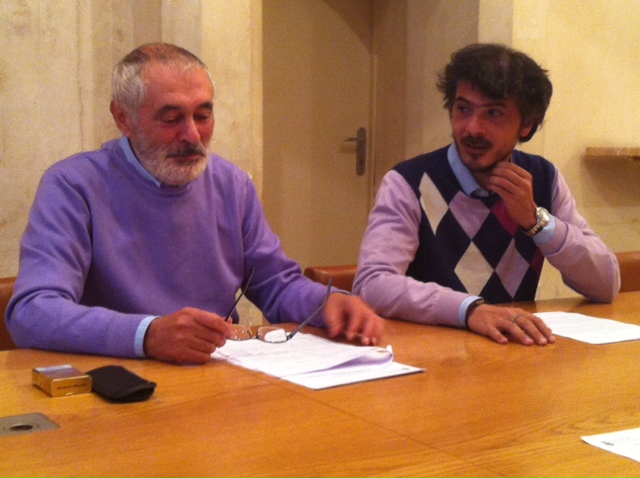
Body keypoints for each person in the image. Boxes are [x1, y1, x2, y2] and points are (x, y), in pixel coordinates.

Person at [6, 43, 383, 364]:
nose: (192, 135)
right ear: (123, 118)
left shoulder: (232, 184)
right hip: (118, 382)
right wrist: (147, 334)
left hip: (215, 372)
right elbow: (33, 311)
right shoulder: (73, 186)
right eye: (171, 119)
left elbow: (275, 284)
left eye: (203, 115)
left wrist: (329, 303)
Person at [353, 43, 619, 346]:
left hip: (511, 355)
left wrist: (537, 222)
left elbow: (606, 285)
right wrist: (469, 310)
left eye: (493, 113)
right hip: (431, 354)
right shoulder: (409, 181)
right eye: (463, 109)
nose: (472, 128)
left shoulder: (543, 178)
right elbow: (372, 284)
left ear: (526, 124)